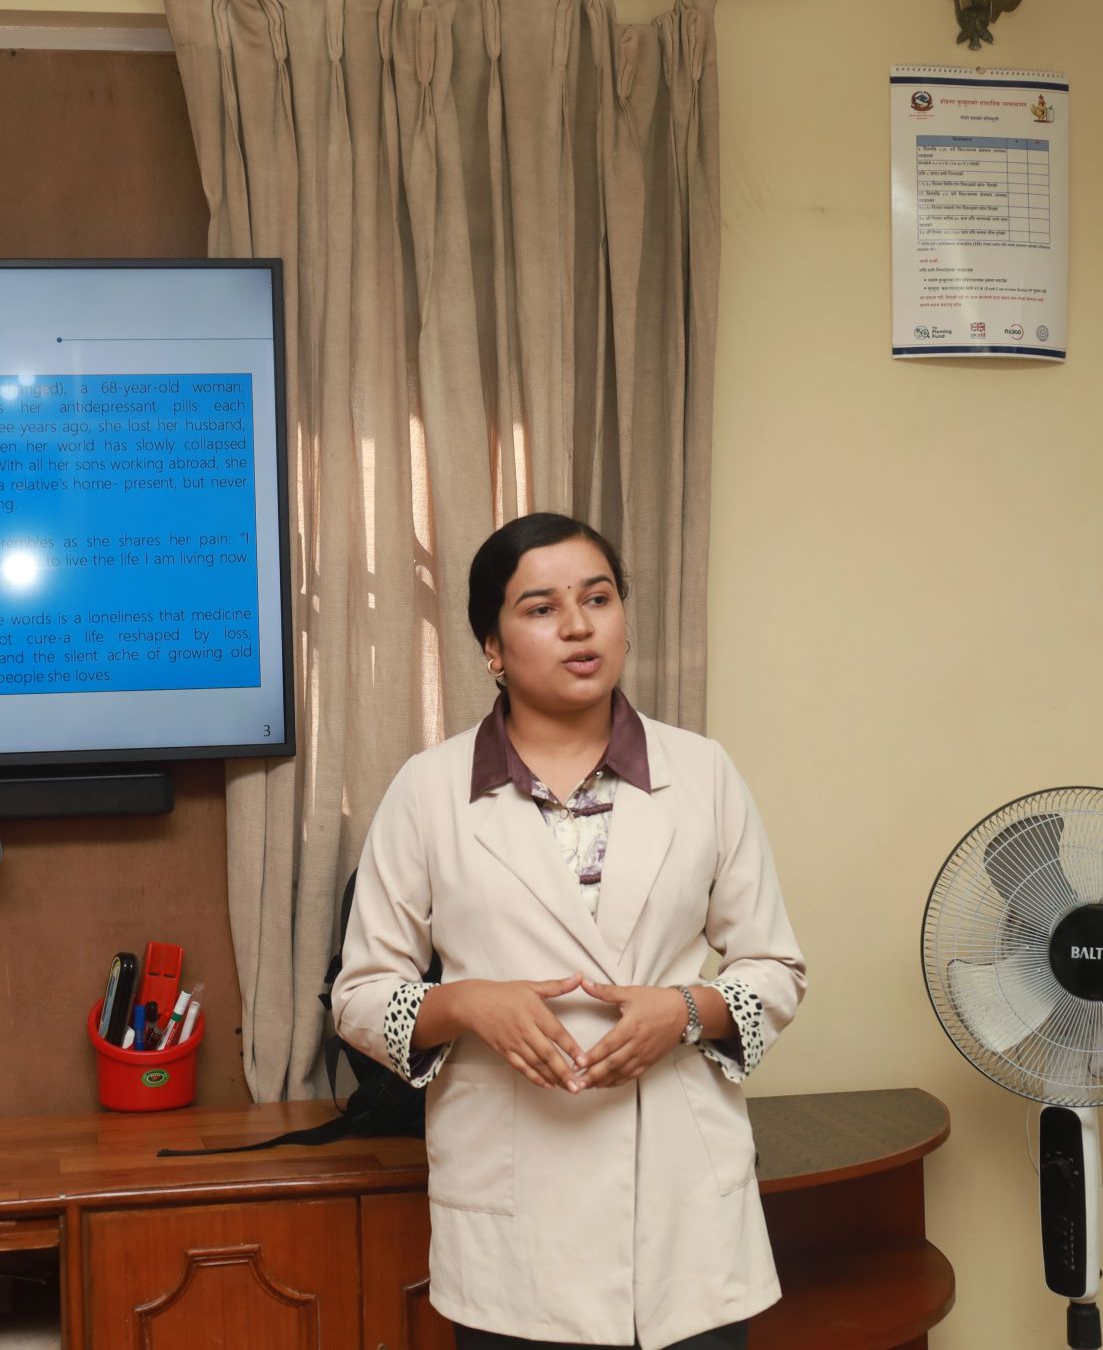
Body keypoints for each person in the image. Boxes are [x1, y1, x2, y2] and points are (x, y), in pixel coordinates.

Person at [331, 513, 807, 1350]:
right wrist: (468, 1002)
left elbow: (775, 967)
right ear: (492, 645)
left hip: (682, 1220)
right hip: (518, 1226)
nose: (579, 625)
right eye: (542, 607)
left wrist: (684, 1011)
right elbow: (361, 996)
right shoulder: (428, 789)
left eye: (598, 598)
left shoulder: (703, 771)